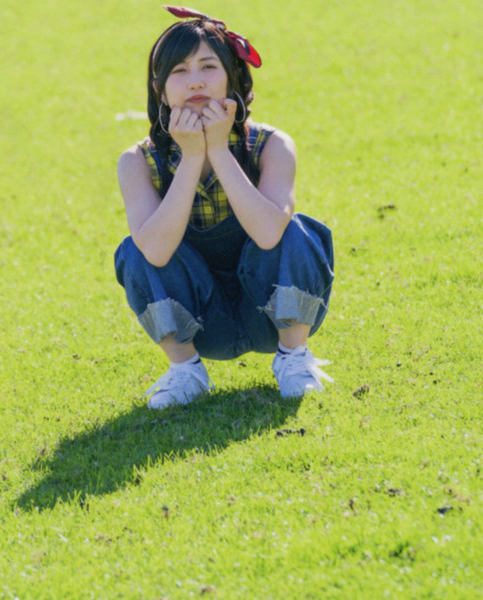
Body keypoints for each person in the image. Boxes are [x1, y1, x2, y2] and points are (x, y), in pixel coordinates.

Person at [114, 6, 334, 409]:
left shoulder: (272, 145)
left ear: (232, 77)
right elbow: (156, 252)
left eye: (208, 67)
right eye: (179, 71)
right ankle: (186, 371)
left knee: (297, 230)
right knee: (135, 249)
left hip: (270, 312)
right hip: (200, 322)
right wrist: (192, 157)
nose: (195, 81)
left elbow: (269, 232)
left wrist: (218, 149)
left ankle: (294, 358)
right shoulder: (137, 162)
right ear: (160, 90)